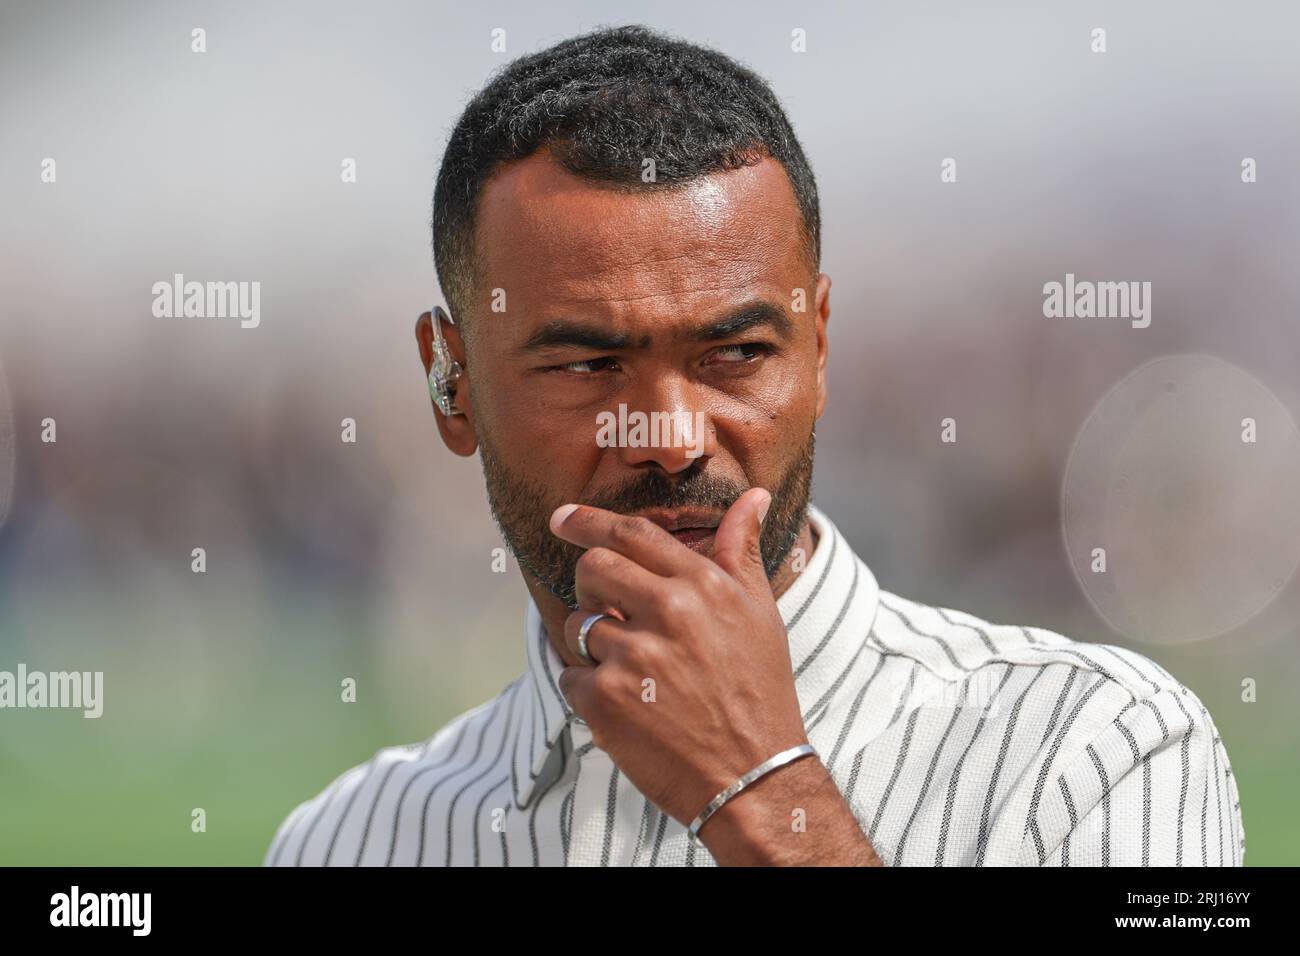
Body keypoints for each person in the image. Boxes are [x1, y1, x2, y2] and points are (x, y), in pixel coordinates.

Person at [266, 24, 1243, 867]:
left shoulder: (1100, 750)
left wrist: (762, 791)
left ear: (817, 349)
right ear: (451, 381)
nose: (670, 437)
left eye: (734, 353)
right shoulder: (350, 838)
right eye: (586, 365)